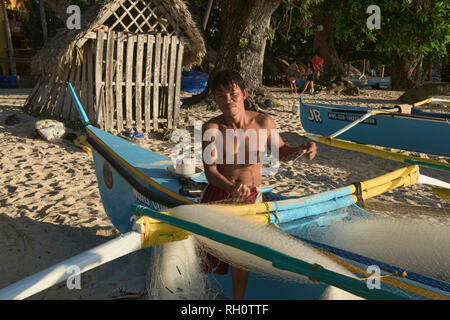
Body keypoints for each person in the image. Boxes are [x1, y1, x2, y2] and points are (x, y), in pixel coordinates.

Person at [200, 70, 317, 299]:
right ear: (215, 100)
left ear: (244, 94)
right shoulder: (211, 129)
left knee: (242, 252)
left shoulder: (264, 122)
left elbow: (281, 152)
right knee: (209, 256)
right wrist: (232, 188)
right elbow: (210, 172)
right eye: (221, 96)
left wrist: (302, 149)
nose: (228, 100)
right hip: (221, 195)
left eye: (232, 94)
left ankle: (238, 301)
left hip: (252, 197)